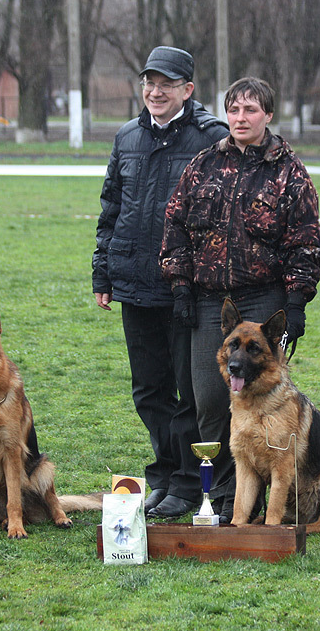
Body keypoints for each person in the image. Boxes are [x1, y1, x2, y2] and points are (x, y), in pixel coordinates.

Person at [160, 77, 320, 522]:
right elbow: (174, 226)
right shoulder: (204, 164)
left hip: (264, 299)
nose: (241, 118)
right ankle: (225, 496)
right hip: (211, 301)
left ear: (268, 115)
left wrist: (295, 302)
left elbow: (305, 240)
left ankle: (265, 494)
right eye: (234, 110)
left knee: (266, 399)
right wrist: (180, 286)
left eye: (251, 110)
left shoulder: (289, 170)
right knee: (209, 402)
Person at [92, 46, 229, 518]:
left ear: (187, 90)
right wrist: (103, 270)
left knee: (189, 392)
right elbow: (111, 207)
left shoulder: (211, 138)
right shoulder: (127, 136)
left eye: (166, 84)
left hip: (185, 288)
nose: (155, 91)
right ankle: (164, 474)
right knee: (148, 390)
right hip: (133, 282)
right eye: (149, 83)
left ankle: (193, 482)